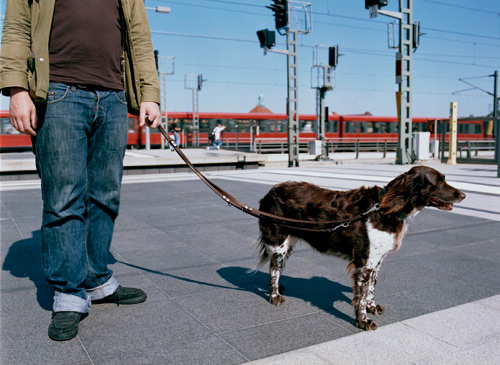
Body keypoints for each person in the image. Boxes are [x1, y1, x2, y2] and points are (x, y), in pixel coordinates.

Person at [0, 0, 161, 341]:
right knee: (63, 198)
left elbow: (139, 38)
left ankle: (97, 279)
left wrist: (149, 93)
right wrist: (16, 88)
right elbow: (16, 28)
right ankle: (69, 293)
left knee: (105, 196)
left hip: (114, 96)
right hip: (58, 93)